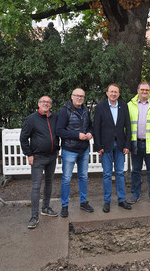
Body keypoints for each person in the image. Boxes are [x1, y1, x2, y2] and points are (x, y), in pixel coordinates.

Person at [20, 96, 60, 229]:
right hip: (37, 157)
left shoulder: (54, 117)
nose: (46, 104)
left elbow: (57, 134)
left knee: (49, 183)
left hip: (51, 157)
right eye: (43, 102)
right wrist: (29, 154)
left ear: (51, 105)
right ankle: (34, 216)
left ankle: (46, 208)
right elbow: (23, 138)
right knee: (36, 186)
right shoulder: (31, 119)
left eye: (48, 102)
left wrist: (57, 148)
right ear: (38, 104)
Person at [93, 84, 132, 213]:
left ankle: (121, 200)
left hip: (120, 145)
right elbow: (96, 128)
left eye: (116, 92)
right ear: (107, 93)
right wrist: (98, 146)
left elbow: (128, 126)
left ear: (119, 94)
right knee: (107, 174)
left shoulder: (123, 106)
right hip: (106, 145)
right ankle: (107, 201)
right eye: (111, 92)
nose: (113, 94)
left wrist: (127, 145)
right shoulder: (100, 107)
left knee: (120, 173)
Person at [56, 88, 94, 217]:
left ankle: (83, 202)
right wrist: (76, 135)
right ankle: (64, 205)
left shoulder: (86, 110)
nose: (79, 98)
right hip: (69, 150)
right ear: (72, 97)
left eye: (82, 96)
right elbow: (59, 131)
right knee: (66, 179)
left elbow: (90, 126)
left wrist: (90, 133)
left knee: (83, 177)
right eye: (77, 96)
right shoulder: (64, 111)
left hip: (83, 149)